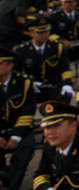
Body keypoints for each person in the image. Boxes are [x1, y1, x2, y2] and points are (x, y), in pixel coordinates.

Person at [0, 46, 36, 190]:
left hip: (19, 129)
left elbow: (28, 110)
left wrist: (16, 136)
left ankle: (12, 187)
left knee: (25, 151)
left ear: (10, 65)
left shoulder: (24, 82)